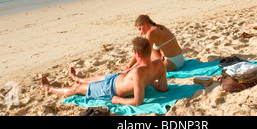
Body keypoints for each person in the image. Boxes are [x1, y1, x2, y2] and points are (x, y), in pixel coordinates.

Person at [40, 37, 168, 107]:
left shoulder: (139, 72)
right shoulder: (159, 64)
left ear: (137, 54)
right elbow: (163, 88)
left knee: (77, 89)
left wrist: (117, 100)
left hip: (110, 89)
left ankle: (49, 88)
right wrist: (150, 81)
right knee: (98, 76)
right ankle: (77, 78)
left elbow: (137, 102)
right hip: (117, 78)